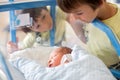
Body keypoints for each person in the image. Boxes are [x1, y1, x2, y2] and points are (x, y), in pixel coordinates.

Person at [57, 0, 120, 68]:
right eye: (71, 13)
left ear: (100, 2)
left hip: (110, 69)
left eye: (79, 13)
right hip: (93, 59)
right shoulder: (94, 12)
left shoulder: (117, 29)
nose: (74, 18)